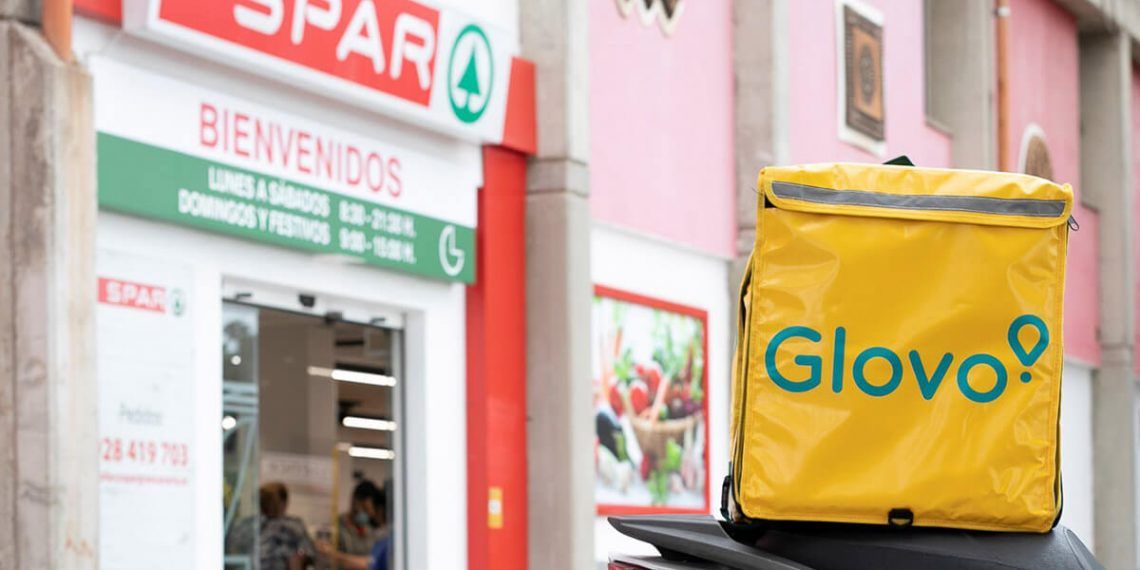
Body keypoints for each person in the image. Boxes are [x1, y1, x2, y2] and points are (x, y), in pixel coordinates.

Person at [227, 482, 316, 570]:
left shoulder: (245, 525)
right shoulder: (292, 526)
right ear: (283, 503)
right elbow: (307, 556)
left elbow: (232, 553)